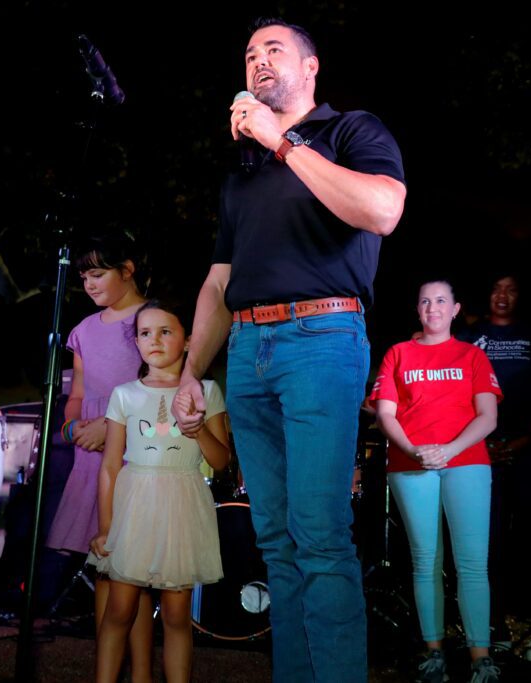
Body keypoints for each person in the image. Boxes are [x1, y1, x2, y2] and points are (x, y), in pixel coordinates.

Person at [172, 17, 406, 682]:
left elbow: (382, 210)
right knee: (274, 541)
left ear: (310, 68)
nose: (258, 61)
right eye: (249, 54)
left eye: (274, 49)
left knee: (320, 536)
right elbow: (220, 280)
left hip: (321, 340)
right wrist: (193, 369)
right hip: (248, 352)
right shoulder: (239, 177)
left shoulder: (351, 132)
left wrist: (285, 144)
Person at [371, 278, 503, 683]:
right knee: (425, 560)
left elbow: (488, 416)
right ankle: (434, 654)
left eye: (441, 300)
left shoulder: (472, 356)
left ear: (455, 308)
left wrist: (449, 449)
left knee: (471, 563)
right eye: (425, 301)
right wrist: (415, 450)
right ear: (418, 309)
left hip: (466, 462)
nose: (433, 307)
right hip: (411, 465)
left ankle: (481, 657)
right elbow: (386, 413)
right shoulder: (399, 353)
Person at [93, 300, 229, 683]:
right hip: (135, 507)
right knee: (119, 610)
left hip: (182, 505)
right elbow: (110, 466)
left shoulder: (206, 390)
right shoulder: (125, 394)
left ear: (188, 341)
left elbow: (221, 461)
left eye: (166, 331)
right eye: (145, 333)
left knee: (175, 614)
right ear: (135, 342)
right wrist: (106, 527)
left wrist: (197, 430)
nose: (154, 340)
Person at [46, 235, 154, 681]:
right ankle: (107, 671)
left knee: (134, 571)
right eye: (84, 276)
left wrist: (111, 429)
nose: (89, 284)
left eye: (98, 273)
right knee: (103, 562)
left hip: (136, 454)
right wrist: (73, 429)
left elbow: (159, 389)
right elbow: (77, 394)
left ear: (127, 269)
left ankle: (143, 672)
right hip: (93, 455)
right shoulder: (85, 330)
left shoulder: (152, 320)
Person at [457, 271, 531, 662]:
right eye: (496, 287)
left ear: (524, 296)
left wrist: (524, 440)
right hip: (479, 451)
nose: (503, 295)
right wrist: (480, 444)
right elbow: (455, 397)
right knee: (487, 540)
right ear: (484, 293)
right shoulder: (468, 338)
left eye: (512, 289)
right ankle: (494, 626)